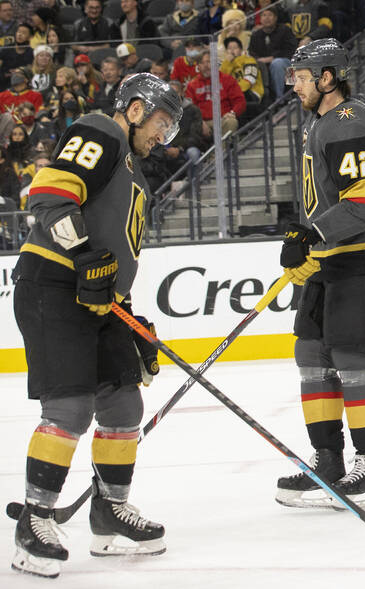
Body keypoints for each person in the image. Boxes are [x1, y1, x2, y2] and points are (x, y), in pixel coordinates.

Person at [10, 74, 183, 578]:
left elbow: (113, 259)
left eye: (170, 129)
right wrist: (84, 255)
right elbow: (49, 193)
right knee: (69, 405)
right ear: (133, 109)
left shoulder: (133, 173)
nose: (162, 136)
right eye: (160, 123)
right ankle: (35, 520)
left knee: (124, 402)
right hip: (53, 285)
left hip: (97, 301)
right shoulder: (100, 130)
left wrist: (130, 319)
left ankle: (109, 514)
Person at [274, 39, 365, 510]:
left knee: (353, 360)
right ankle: (328, 462)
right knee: (311, 352)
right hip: (338, 251)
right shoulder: (323, 123)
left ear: (327, 78)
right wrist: (313, 244)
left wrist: (310, 235)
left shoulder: (348, 122)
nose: (294, 84)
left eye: (302, 76)